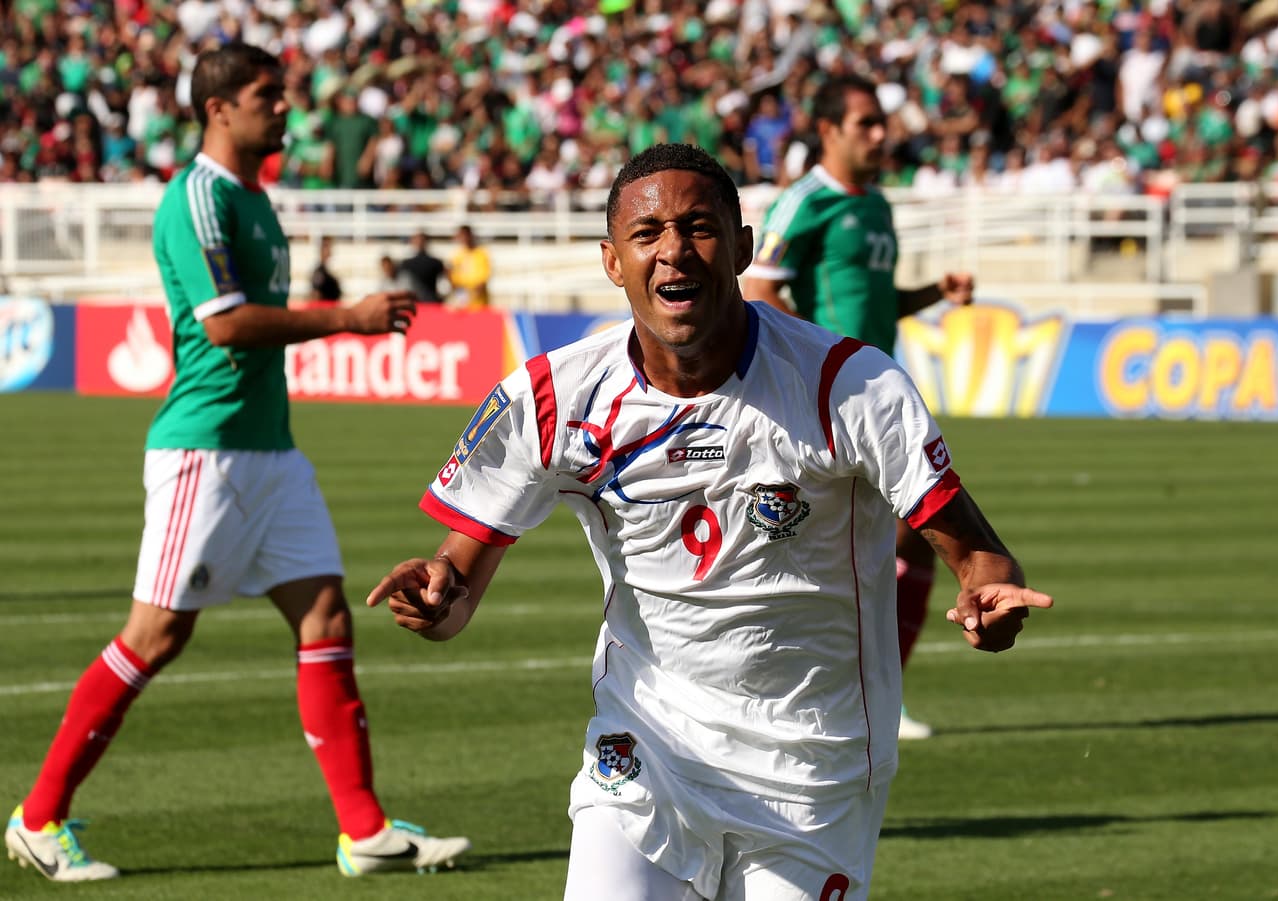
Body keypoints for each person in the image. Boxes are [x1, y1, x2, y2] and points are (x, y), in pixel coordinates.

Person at [366, 143, 1052, 901]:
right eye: (647, 233)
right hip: (645, 750)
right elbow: (455, 584)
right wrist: (434, 595)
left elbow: (977, 553)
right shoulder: (553, 397)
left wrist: (989, 593)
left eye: (697, 227)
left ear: (742, 246)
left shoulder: (848, 385)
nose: (673, 251)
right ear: (612, 260)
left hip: (814, 768)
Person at [3, 43, 470, 884]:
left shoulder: (253, 197)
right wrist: (345, 319)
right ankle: (39, 817)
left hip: (269, 450)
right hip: (206, 450)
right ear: (218, 108)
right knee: (157, 633)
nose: (284, 109)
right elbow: (221, 324)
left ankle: (363, 829)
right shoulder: (198, 199)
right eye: (267, 96)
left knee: (327, 614)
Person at [740, 74, 978, 741]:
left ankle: (880, 699)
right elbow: (761, 290)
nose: (881, 135)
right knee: (812, 554)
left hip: (876, 401)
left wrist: (933, 290)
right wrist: (823, 365)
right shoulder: (803, 203)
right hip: (819, 403)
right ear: (829, 131)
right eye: (866, 123)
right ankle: (797, 702)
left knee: (914, 539)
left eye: (882, 123)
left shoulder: (875, 206)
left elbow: (875, 298)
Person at [447, 224, 491, 310]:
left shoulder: (481, 254)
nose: (463, 238)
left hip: (478, 304)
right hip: (461, 304)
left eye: (465, 235)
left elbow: (482, 281)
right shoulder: (457, 256)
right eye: (461, 235)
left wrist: (470, 296)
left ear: (471, 235)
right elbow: (453, 280)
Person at [396, 231, 448, 304]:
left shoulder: (436, 263)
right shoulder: (406, 264)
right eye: (417, 239)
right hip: (415, 303)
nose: (420, 242)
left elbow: (444, 284)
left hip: (429, 303)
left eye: (421, 239)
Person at [310, 235, 343, 302]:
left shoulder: (326, 270)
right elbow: (315, 295)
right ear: (321, 250)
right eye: (326, 246)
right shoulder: (319, 272)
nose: (329, 249)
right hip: (324, 310)